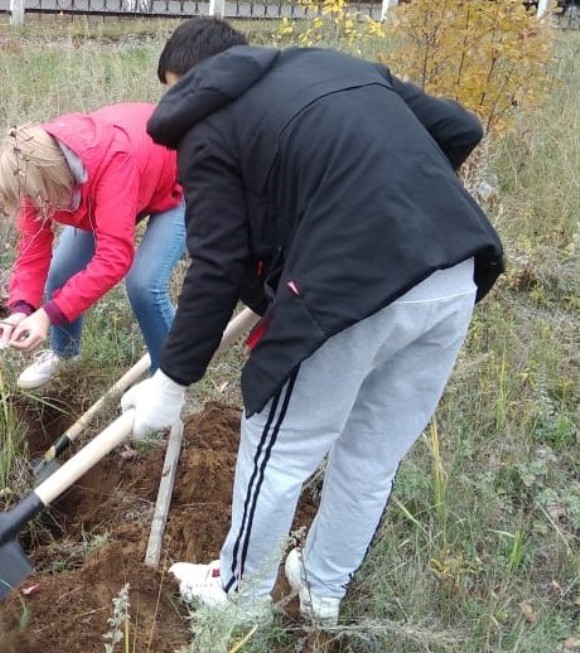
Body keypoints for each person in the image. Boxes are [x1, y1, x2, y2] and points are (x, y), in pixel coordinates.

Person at [120, 17, 504, 627]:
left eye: (176, 90)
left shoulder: (208, 125)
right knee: (372, 456)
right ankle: (324, 592)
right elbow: (461, 128)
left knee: (278, 448)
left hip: (353, 285)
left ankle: (239, 598)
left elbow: (218, 264)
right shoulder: (335, 65)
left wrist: (171, 382)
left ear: (194, 84)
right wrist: (387, 204)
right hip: (452, 270)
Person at [0, 103, 186, 389]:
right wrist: (22, 310)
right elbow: (32, 252)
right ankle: (65, 356)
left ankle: (167, 384)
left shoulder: (111, 161)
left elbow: (114, 259)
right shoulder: (31, 179)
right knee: (61, 272)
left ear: (54, 178)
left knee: (144, 284)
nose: (32, 206)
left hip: (177, 175)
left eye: (36, 198)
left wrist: (48, 314)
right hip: (123, 182)